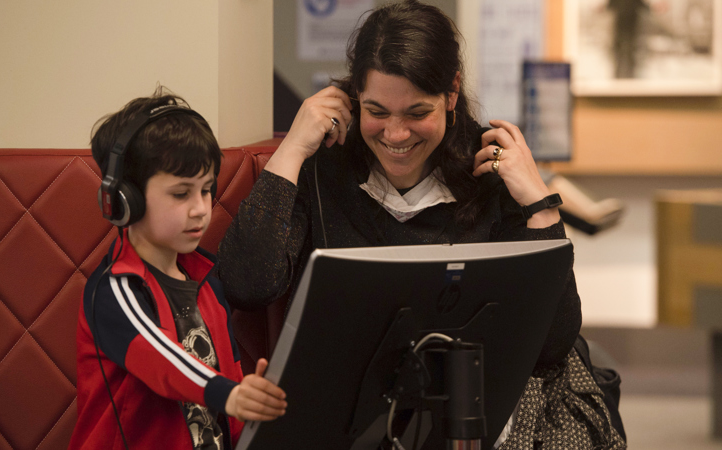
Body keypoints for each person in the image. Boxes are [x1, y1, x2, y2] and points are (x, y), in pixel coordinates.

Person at [218, 1, 623, 449]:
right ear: (354, 96)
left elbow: (551, 347)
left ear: (451, 94)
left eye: (416, 113)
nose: (395, 134)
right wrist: (292, 148)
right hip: (351, 413)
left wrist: (539, 206)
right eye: (376, 110)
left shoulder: (492, 171)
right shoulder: (324, 165)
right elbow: (248, 284)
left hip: (475, 408)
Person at [70, 88, 287, 450]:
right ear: (126, 201)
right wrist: (228, 394)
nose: (201, 208)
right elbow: (163, 360)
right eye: (180, 193)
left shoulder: (209, 283)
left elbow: (228, 372)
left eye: (205, 190)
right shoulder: (113, 291)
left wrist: (245, 408)